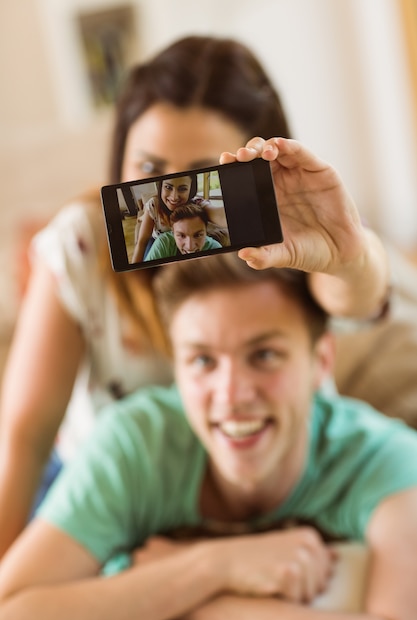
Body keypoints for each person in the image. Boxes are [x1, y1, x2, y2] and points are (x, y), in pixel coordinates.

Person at [0, 35, 390, 560]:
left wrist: (349, 253)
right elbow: (23, 435)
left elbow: (360, 297)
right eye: (149, 169)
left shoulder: (286, 238)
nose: (170, 197)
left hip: (265, 489)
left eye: (201, 176)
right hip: (117, 503)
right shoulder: (84, 242)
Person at [0, 252, 415, 620]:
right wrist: (214, 567)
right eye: (202, 361)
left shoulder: (386, 460)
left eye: (264, 355)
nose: (231, 395)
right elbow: (11, 611)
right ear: (175, 368)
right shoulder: (135, 445)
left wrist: (200, 600)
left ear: (320, 361)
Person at [132, 174, 228, 262]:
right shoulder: (154, 205)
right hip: (157, 240)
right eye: (168, 187)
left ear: (191, 189)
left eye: (182, 189)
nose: (174, 197)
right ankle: (143, 217)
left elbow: (221, 216)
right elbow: (141, 242)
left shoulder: (198, 204)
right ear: (161, 187)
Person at [145, 202, 222, 261]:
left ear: (206, 232)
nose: (190, 247)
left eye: (198, 235)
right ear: (173, 233)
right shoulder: (163, 243)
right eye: (181, 236)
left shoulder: (215, 248)